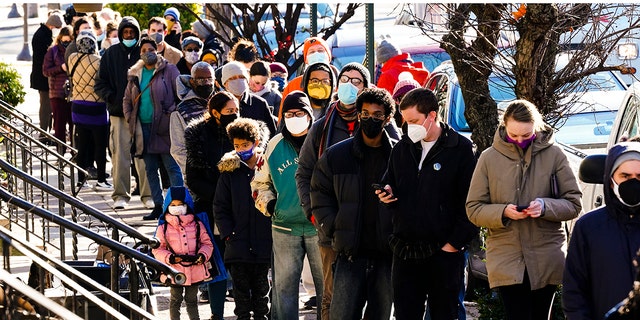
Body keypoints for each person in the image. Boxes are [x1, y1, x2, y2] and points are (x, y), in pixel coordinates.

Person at [296, 62, 400, 320]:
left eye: (378, 115)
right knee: (338, 311)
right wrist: (330, 225)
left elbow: (411, 195)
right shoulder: (335, 152)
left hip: (386, 252)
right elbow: (315, 187)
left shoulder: (399, 156)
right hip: (346, 249)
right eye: (365, 114)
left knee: (380, 314)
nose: (370, 119)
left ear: (387, 118)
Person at [466, 99, 582, 320]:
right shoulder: (489, 158)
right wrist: (503, 212)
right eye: (513, 136)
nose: (519, 141)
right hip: (506, 253)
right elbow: (473, 209)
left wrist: (546, 206)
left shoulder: (554, 154)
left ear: (536, 128)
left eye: (526, 136)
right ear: (504, 127)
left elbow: (574, 203)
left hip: (546, 253)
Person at [378, 88, 478, 320]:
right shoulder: (402, 148)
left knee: (444, 313)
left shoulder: (460, 149)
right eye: (405, 120)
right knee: (405, 313)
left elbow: (471, 202)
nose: (408, 126)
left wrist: (454, 244)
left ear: (431, 116)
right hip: (405, 249)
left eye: (414, 120)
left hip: (443, 252)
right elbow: (390, 181)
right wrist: (387, 194)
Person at [251, 91, 323, 319]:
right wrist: (270, 206)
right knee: (284, 290)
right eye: (289, 113)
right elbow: (259, 184)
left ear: (310, 115)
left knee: (327, 289)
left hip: (319, 227)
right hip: (284, 228)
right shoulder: (274, 144)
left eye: (300, 112)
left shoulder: (323, 141)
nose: (294, 117)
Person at [563, 142, 640, 319]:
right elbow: (574, 290)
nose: (633, 182)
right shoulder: (589, 227)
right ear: (611, 180)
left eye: (639, 176)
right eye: (625, 176)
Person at [185, 91, 238, 319]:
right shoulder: (199, 136)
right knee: (216, 263)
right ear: (215, 113)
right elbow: (193, 179)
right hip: (211, 208)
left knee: (242, 262)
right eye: (229, 112)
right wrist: (219, 196)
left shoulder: (242, 132)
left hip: (241, 208)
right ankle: (217, 313)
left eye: (236, 110)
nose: (234, 115)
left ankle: (244, 310)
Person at [214, 118, 272, 320]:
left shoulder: (267, 167)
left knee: (262, 291)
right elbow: (220, 206)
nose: (241, 150)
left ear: (255, 142)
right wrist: (228, 233)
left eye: (245, 145)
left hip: (264, 242)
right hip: (237, 244)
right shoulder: (230, 172)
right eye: (237, 146)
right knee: (240, 295)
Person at [95, 16, 153, 210]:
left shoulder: (144, 52)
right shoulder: (110, 54)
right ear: (120, 34)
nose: (129, 35)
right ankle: (120, 195)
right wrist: (112, 97)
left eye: (132, 32)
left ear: (137, 33)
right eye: (125, 32)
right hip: (119, 114)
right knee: (119, 155)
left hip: (143, 114)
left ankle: (148, 195)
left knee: (145, 156)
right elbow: (100, 83)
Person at [122, 37, 183, 220]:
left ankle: (179, 204)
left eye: (150, 49)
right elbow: (127, 99)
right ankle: (158, 205)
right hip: (142, 128)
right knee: (150, 168)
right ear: (139, 53)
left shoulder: (169, 70)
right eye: (143, 50)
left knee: (172, 167)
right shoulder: (135, 73)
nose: (147, 53)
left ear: (156, 49)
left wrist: (170, 115)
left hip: (164, 128)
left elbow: (180, 94)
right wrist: (130, 118)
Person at [153, 186, 214, 320]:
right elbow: (157, 249)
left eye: (181, 204)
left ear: (187, 205)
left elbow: (207, 244)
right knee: (175, 300)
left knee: (192, 301)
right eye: (173, 205)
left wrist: (203, 255)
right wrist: (169, 258)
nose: (177, 207)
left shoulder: (197, 224)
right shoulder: (163, 228)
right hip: (174, 271)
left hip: (195, 270)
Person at [68, 30, 112, 191]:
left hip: (78, 106)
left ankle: (81, 180)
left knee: (82, 146)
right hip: (96, 107)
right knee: (100, 146)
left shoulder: (72, 58)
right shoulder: (99, 61)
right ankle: (101, 179)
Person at [171, 61, 215, 179]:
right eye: (200, 80)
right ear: (192, 81)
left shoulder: (222, 104)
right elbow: (178, 149)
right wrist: (194, 171)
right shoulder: (180, 111)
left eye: (209, 79)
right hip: (196, 176)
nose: (206, 83)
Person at [279, 36, 333, 120]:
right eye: (311, 52)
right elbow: (283, 117)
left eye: (320, 50)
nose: (316, 54)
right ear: (306, 59)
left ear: (328, 56)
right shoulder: (293, 85)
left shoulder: (342, 81)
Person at [31, 11, 64, 143]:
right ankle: (43, 134)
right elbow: (43, 59)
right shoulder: (41, 36)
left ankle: (47, 133)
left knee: (48, 106)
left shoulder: (44, 34)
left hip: (44, 77)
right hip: (43, 78)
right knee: (45, 106)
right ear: (53, 26)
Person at [221, 61, 277, 135]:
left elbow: (272, 134)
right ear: (225, 83)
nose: (238, 81)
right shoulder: (219, 103)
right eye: (233, 78)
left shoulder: (260, 104)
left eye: (241, 77)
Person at [43, 25, 74, 155]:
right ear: (60, 39)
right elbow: (46, 71)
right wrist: (60, 68)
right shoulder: (53, 51)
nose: (66, 44)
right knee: (59, 126)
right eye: (64, 41)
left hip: (73, 93)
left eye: (69, 41)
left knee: (74, 125)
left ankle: (75, 152)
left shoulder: (75, 50)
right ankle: (60, 153)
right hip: (57, 93)